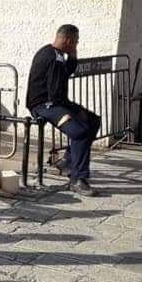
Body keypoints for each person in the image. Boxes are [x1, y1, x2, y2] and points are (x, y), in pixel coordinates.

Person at [26, 24, 100, 196]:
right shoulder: (54, 58)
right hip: (44, 105)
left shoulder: (52, 52)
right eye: (76, 41)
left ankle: (69, 161)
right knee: (79, 132)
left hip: (53, 102)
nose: (77, 44)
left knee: (93, 120)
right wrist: (75, 111)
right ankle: (78, 179)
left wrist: (73, 57)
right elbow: (55, 94)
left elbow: (64, 74)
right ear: (68, 40)